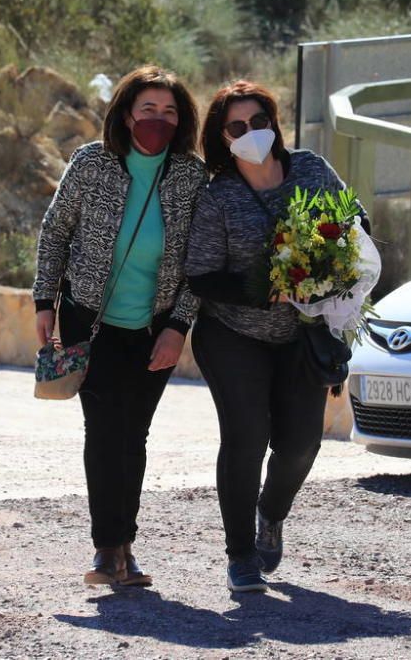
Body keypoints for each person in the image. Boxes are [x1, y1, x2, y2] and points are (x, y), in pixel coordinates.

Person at [186, 81, 368, 592]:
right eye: (237, 127)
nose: (251, 133)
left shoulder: (309, 168)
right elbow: (200, 275)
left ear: (274, 123)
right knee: (246, 439)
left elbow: (354, 222)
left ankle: (272, 512)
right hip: (233, 334)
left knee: (301, 444)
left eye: (258, 122)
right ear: (222, 138)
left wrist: (329, 268)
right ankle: (241, 555)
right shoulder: (217, 195)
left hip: (302, 335)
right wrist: (264, 289)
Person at [32, 65, 207, 587]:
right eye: (148, 109)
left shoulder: (192, 177)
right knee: (104, 433)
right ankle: (108, 550)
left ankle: (124, 547)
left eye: (170, 111)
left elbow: (199, 263)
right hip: (92, 320)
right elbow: (55, 230)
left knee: (135, 435)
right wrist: (45, 300)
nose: (158, 119)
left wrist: (178, 327)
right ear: (127, 113)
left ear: (183, 121)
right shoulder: (92, 162)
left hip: (154, 328)